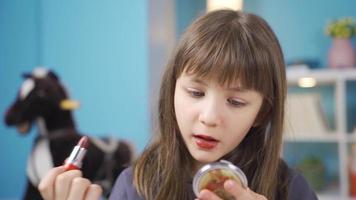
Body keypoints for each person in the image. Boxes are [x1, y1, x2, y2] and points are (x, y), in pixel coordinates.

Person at [38, 9, 317, 200]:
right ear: (172, 91)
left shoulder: (292, 190)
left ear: (262, 113)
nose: (209, 117)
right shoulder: (135, 186)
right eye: (195, 93)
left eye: (235, 101)